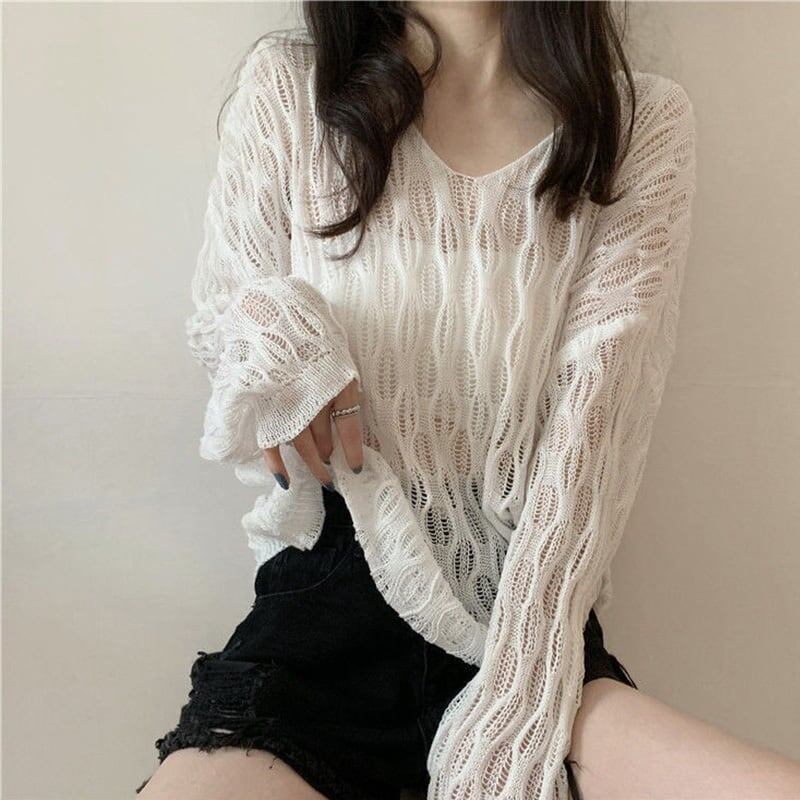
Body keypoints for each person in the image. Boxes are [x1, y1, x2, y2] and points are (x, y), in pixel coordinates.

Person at [137, 3, 800, 799]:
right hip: (325, 615)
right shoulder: (290, 88)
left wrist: (517, 699)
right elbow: (224, 319)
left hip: (529, 621)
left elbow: (594, 430)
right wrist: (283, 328)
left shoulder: (637, 124)